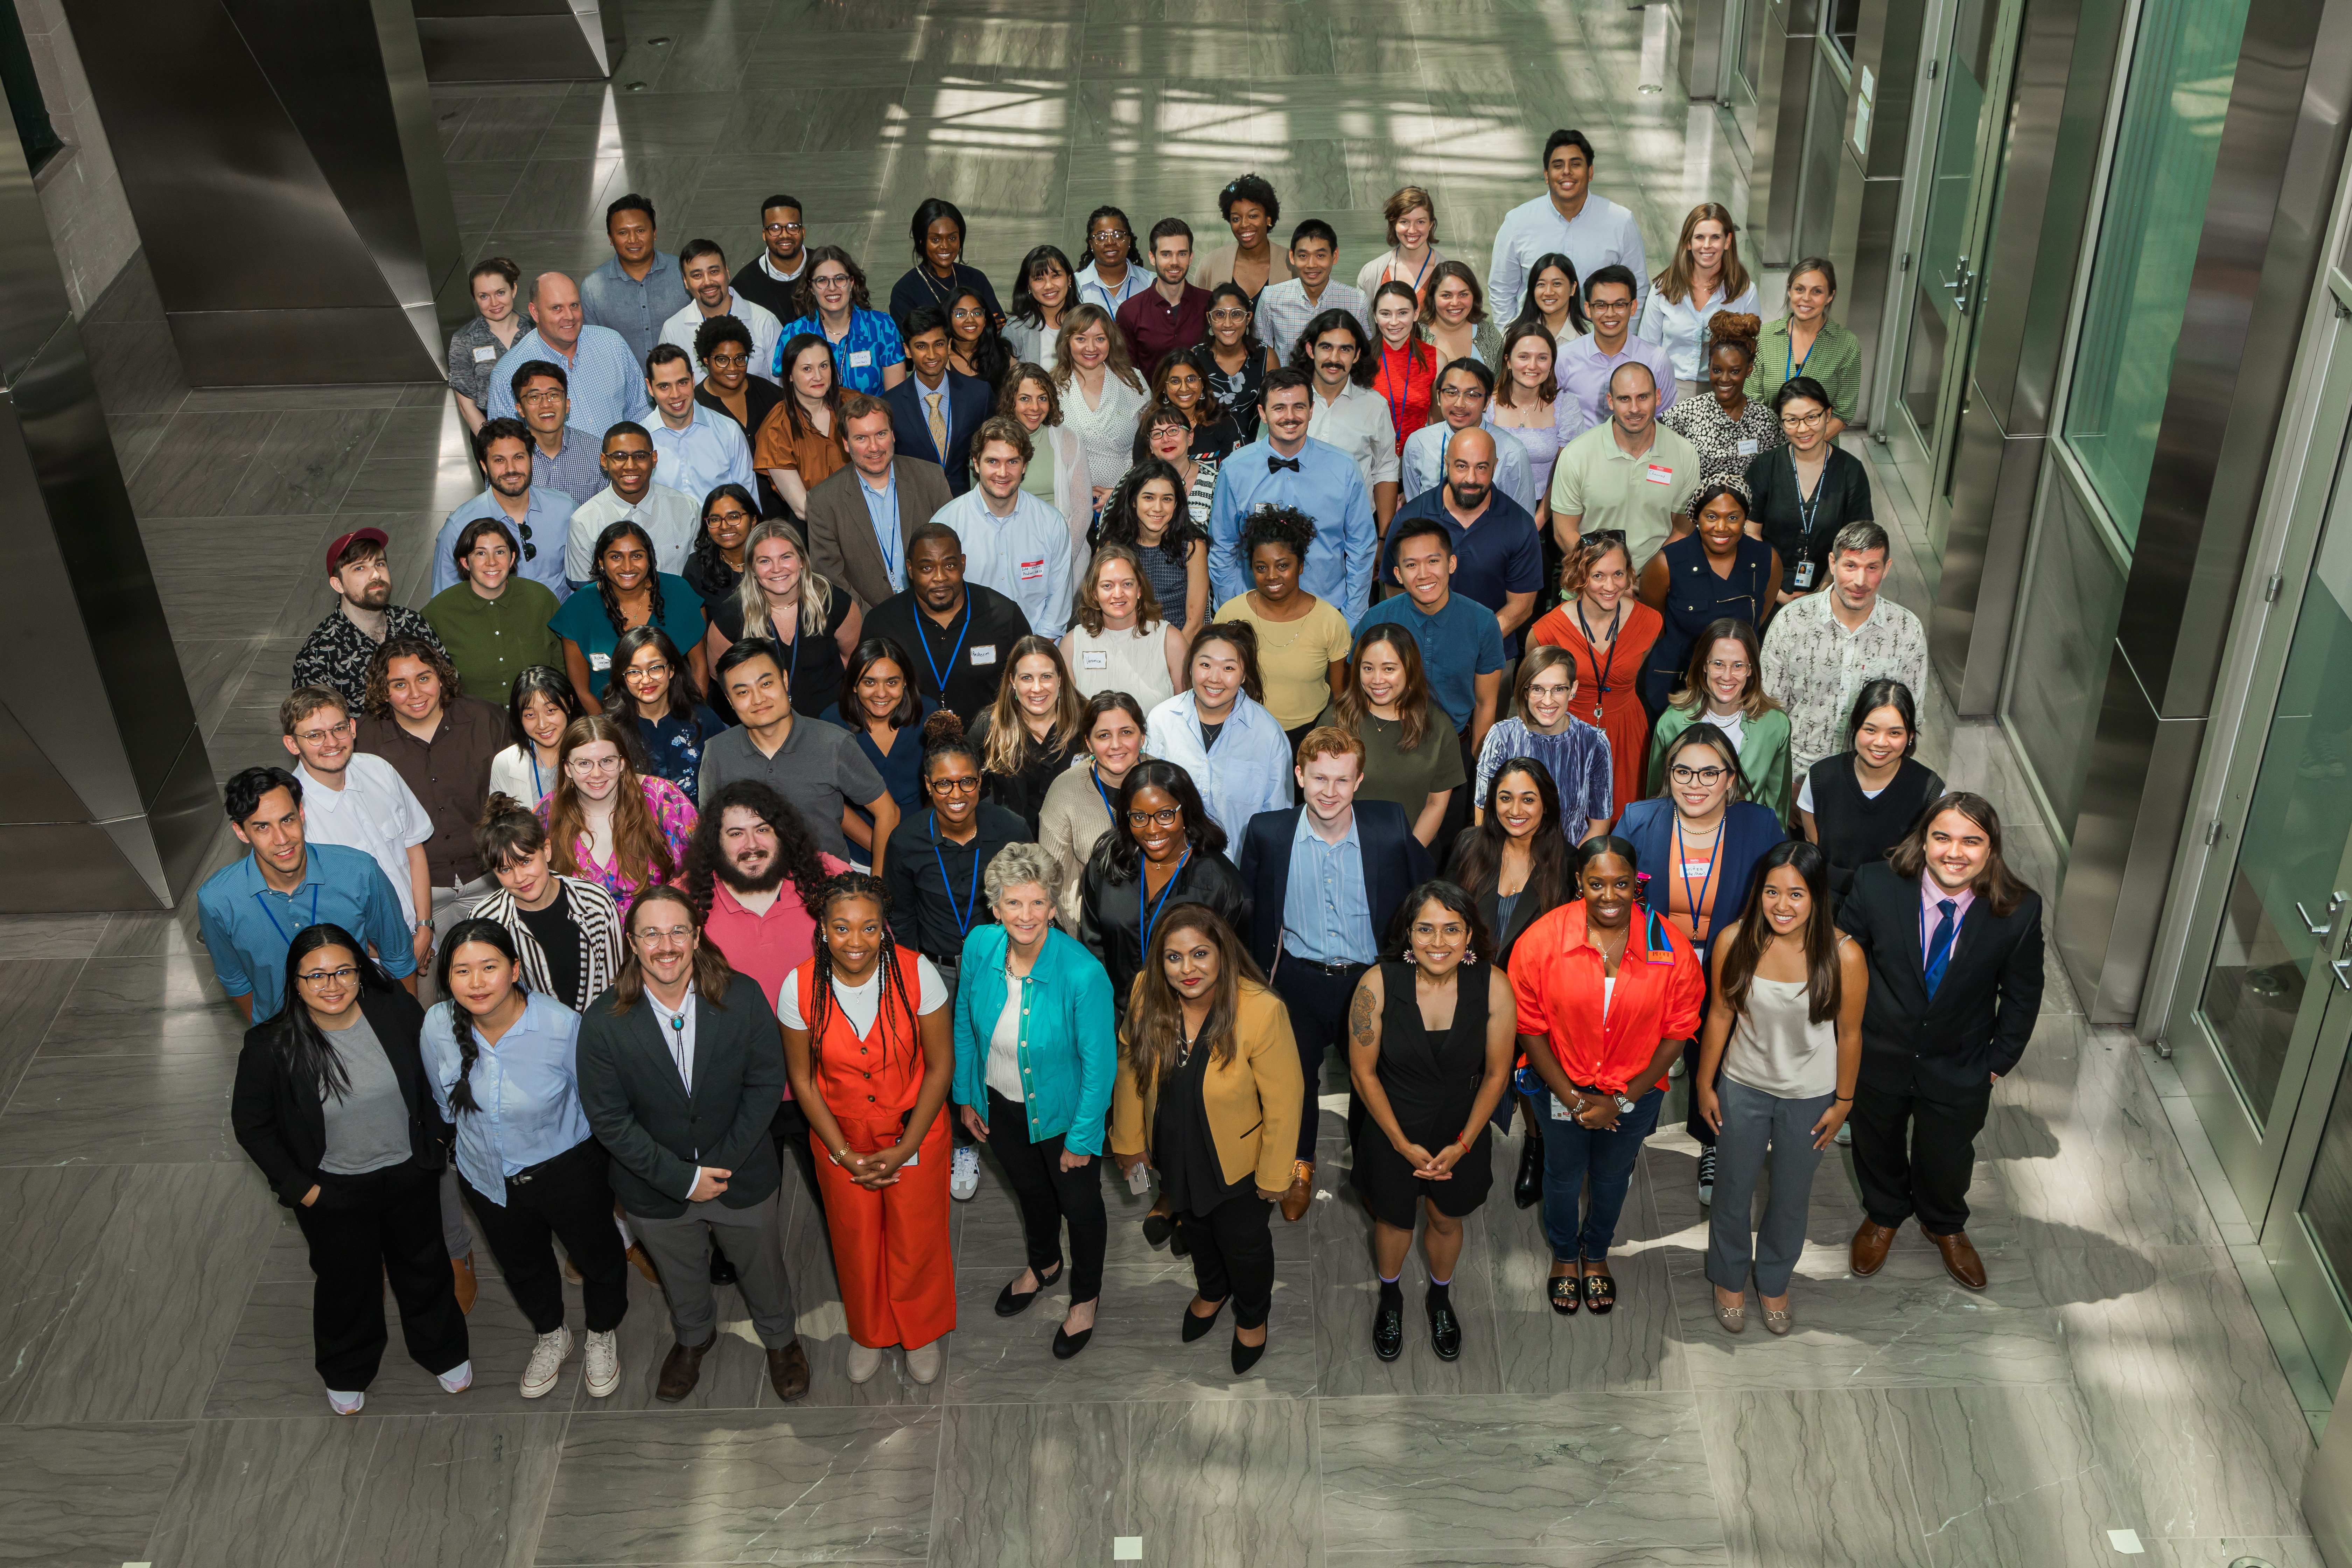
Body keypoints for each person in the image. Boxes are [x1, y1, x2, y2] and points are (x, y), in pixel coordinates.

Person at [576, 884, 811, 1404]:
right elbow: (609, 1121)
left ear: (697, 936)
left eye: (678, 930)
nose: (667, 945)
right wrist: (683, 1179)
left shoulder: (743, 996)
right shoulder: (602, 1023)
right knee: (680, 1274)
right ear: (632, 943)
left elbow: (766, 1085)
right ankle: (692, 1337)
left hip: (742, 1173)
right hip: (653, 1189)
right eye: (651, 933)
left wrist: (717, 1169)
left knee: (762, 1265)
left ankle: (780, 1339)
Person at [231, 927, 470, 1414]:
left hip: (409, 1173)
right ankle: (347, 1367)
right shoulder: (269, 1046)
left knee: (424, 1268)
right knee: (347, 1284)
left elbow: (434, 1074)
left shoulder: (398, 1011)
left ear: (360, 974)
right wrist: (305, 1191)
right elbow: (252, 1126)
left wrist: (438, 1142)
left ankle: (441, 1350)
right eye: (316, 975)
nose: (332, 984)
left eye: (343, 971)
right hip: (333, 1191)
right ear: (294, 982)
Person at [1839, 794, 2044, 1289]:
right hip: (1878, 1055)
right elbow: (1840, 969)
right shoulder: (1876, 883)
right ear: (1924, 840)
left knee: (1947, 1156)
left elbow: (2023, 994)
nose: (1956, 852)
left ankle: (1944, 1223)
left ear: (1991, 849)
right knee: (1876, 1143)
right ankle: (1885, 1213)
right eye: (1943, 837)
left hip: (1961, 1063)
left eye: (1972, 841)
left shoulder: (2017, 910)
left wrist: (1997, 1063)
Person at [423, 918, 629, 1398]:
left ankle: (602, 1331)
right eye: (461, 971)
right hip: (485, 1176)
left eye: (489, 967)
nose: (476, 982)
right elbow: (441, 1102)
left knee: (599, 1258)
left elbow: (594, 1103)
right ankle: (552, 1334)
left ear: (515, 969)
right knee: (523, 1266)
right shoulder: (436, 1025)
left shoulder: (560, 1026)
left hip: (567, 1171)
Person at [1237, 726, 1434, 1219]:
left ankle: (1370, 1171)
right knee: (1294, 1082)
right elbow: (1250, 911)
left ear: (1359, 781)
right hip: (1298, 982)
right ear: (1300, 775)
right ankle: (1300, 1166)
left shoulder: (1389, 826)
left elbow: (1421, 897)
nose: (1330, 792)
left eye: (1342, 781)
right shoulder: (1268, 832)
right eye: (1319, 778)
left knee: (1372, 1083)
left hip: (1367, 982)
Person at [780, 873, 958, 1385]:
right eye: (841, 928)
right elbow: (803, 1081)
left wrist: (905, 1149)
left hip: (915, 1131)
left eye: (868, 928)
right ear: (823, 930)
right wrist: (840, 1154)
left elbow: (941, 1066)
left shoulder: (917, 974)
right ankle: (869, 1331)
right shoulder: (798, 987)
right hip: (841, 1140)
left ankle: (919, 1330)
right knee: (855, 1240)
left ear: (885, 930)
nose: (854, 941)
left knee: (916, 1236)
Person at [1108, 902, 1300, 1374]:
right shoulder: (1145, 993)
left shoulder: (1262, 1011)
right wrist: (1129, 1141)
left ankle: (1253, 1316)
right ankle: (1213, 1290)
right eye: (1174, 958)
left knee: (1244, 1244)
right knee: (1195, 1229)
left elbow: (1286, 1100)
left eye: (1200, 954)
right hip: (1174, 1149)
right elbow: (1131, 1067)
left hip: (1239, 1163)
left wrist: (1276, 1175)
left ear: (1223, 955)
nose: (1186, 969)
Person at [1512, 836, 1699, 1314]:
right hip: (1561, 1086)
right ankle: (1562, 1254)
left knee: (1613, 1175)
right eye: (1596, 884)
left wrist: (1620, 1101)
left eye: (1620, 884)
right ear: (1579, 882)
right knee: (1562, 1175)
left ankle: (1595, 1254)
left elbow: (1677, 1034)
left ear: (1635, 883)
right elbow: (1530, 1030)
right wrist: (1575, 1100)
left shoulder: (1668, 946)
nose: (1609, 896)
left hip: (1634, 1094)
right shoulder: (1542, 941)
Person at [953, 844, 1116, 1358]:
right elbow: (964, 1023)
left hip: (1064, 1119)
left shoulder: (1082, 974)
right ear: (995, 907)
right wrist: (967, 1092)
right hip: (1000, 1106)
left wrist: (1084, 1136)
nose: (1026, 916)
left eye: (1037, 903)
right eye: (1013, 903)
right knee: (1029, 1192)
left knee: (1081, 1207)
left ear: (1052, 907)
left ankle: (1085, 1299)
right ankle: (1045, 1264)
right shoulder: (980, 946)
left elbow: (1101, 1067)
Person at [1696, 840, 1865, 1334]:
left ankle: (1774, 1280)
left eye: (1796, 894)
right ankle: (1727, 1278)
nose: (1782, 906)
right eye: (1771, 892)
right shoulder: (1733, 941)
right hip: (1742, 1086)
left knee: (1792, 1196)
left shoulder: (1845, 954)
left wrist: (1844, 1102)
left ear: (1817, 897)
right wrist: (1706, 1084)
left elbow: (1850, 1035)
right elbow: (1721, 1015)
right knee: (1731, 1189)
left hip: (1810, 1097)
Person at [1617, 722, 1789, 1200]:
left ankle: (1711, 1141)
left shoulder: (1758, 826)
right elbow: (1612, 893)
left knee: (1716, 1063)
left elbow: (1781, 900)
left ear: (1731, 778)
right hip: (1656, 969)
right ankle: (1624, 1144)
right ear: (1668, 774)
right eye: (1683, 772)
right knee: (1640, 1061)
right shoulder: (1638, 819)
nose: (1695, 785)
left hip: (1727, 968)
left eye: (1709, 774)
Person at [1345, 880, 1513, 1362]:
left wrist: (1463, 1145)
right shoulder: (1377, 984)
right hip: (1391, 1124)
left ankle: (1440, 1297)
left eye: (1451, 930)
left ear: (1468, 936)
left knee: (1445, 1217)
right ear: (1408, 933)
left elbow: (1498, 1074)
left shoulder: (1493, 984)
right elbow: (1363, 1073)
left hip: (1463, 1126)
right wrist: (1399, 1142)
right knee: (1394, 1219)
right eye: (1425, 929)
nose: (1438, 943)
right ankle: (1391, 1297)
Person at [684, 779, 854, 1203]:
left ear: (782, 832)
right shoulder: (687, 899)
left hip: (827, 1080)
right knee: (745, 1211)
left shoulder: (828, 877)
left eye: (762, 829)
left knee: (843, 1202)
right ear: (715, 842)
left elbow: (879, 956)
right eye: (735, 833)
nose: (752, 844)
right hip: (738, 1089)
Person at [198, 768, 418, 1023]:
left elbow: (398, 956)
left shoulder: (359, 871)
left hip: (363, 1024)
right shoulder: (217, 900)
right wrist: (271, 1035)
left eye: (287, 820)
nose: (282, 839)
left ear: (301, 814)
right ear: (241, 832)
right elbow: (235, 980)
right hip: (285, 1036)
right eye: (262, 828)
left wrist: (411, 1028)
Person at [354, 636, 505, 977]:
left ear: (441, 675)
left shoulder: (487, 720)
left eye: (423, 678)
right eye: (399, 684)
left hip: (491, 879)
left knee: (497, 981)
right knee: (427, 1002)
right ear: (383, 690)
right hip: (419, 896)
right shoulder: (363, 744)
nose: (416, 693)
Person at [701, 638, 898, 870]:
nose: (758, 699)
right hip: (752, 889)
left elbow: (888, 812)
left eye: (766, 685)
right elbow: (711, 832)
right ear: (729, 701)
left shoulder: (833, 742)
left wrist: (878, 885)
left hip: (829, 889)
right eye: (743, 692)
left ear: (784, 680)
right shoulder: (717, 751)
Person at [282, 688, 434, 979]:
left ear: (352, 728)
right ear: (292, 744)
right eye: (315, 735)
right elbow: (315, 908)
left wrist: (425, 927)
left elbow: (413, 850)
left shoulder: (379, 770)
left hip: (422, 941)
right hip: (360, 964)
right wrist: (394, 953)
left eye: (338, 729)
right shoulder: (292, 813)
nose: (331, 743)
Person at [1079, 759, 1252, 1015]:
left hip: (1189, 1026)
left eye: (1165, 815)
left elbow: (1233, 977)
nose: (1152, 830)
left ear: (1186, 812)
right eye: (1139, 817)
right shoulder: (1106, 864)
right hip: (1113, 1021)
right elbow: (1092, 948)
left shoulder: (1224, 886)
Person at [1757, 521, 1929, 776]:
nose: (1860, 581)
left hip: (1868, 780)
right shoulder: (1792, 622)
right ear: (1832, 563)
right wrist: (1780, 781)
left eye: (1872, 568)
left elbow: (1909, 722)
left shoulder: (1906, 631)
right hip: (1797, 776)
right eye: (1851, 566)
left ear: (1887, 569)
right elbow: (1768, 712)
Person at [1206, 370, 1377, 624]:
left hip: (1327, 612)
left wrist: (1351, 620)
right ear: (1263, 413)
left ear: (1311, 410)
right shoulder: (1235, 468)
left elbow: (1361, 548)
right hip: (1253, 615)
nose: (1290, 417)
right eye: (1279, 408)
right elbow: (1222, 546)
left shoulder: (1344, 467)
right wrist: (1234, 609)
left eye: (1298, 407)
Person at [883, 719, 1029, 998]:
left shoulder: (1012, 830)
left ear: (980, 779)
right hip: (937, 974)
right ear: (928, 784)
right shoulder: (905, 841)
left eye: (966, 781)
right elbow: (901, 918)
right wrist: (909, 978)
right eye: (944, 784)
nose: (957, 794)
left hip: (1001, 966)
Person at [1379, 427, 1543, 656]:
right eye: (1462, 466)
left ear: (1495, 466)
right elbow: (1396, 590)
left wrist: (1469, 644)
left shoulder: (1520, 524)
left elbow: (1521, 607)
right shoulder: (1410, 519)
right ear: (1447, 463)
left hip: (1493, 656)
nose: (1471, 479)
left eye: (1482, 467)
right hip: (1421, 655)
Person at [1531, 534, 1661, 821]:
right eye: (1598, 575)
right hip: (1568, 735)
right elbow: (1531, 696)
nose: (1610, 586)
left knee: (1624, 823)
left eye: (1618, 574)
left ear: (1629, 575)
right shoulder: (1548, 631)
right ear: (1580, 575)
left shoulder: (1650, 621)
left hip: (1627, 733)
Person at [1359, 516, 1507, 766]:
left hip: (1453, 747)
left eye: (1433, 561)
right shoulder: (1377, 619)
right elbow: (1359, 693)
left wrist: (1479, 768)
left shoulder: (1482, 622)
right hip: (1385, 747)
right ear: (1398, 574)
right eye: (1411, 565)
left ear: (1451, 563)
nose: (1424, 575)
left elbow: (1485, 703)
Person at [861, 524, 1034, 728]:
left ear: (963, 564)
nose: (940, 578)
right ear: (910, 569)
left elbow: (1030, 684)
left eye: (950, 566)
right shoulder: (882, 623)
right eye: (927, 568)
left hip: (991, 748)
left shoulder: (1004, 615)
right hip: (911, 751)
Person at [1215, 505, 1353, 758]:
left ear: (1300, 566)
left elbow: (1341, 697)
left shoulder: (1330, 621)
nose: (1271, 576)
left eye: (1282, 566)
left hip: (1310, 740)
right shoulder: (1230, 615)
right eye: (1261, 567)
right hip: (1243, 735)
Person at [470, 795, 626, 1013]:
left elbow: (615, 984)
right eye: (505, 870)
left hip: (599, 1031)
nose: (519, 878)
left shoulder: (596, 903)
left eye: (526, 861)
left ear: (547, 850)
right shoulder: (486, 920)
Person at [1637, 482, 1782, 713]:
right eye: (1712, 517)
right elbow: (1654, 627)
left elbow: (1759, 618)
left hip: (1736, 686)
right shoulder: (1665, 564)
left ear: (1746, 519)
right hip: (1675, 685)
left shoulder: (1767, 559)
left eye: (1733, 518)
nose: (1721, 527)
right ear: (1696, 517)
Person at [802, 391, 954, 612]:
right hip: (866, 622)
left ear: (893, 435)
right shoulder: (822, 500)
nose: (874, 447)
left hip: (934, 612)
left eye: (881, 434)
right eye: (861, 438)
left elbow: (950, 552)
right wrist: (873, 620)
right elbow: (829, 577)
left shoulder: (931, 478)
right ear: (846, 444)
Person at [1319, 623, 1466, 849]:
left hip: (1410, 850)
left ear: (1410, 670)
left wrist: (1408, 856)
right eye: (1368, 669)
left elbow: (1436, 804)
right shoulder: (1335, 720)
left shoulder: (1438, 727)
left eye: (1389, 669)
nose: (1377, 680)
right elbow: (1318, 793)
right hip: (1339, 851)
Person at [1145, 622, 1294, 841]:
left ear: (1244, 676)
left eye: (1229, 668)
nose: (1215, 678)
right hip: (1174, 862)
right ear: (1190, 666)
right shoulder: (1162, 721)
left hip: (1238, 867)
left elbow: (1278, 819)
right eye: (1205, 665)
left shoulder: (1267, 734)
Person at [1549, 362, 1703, 571]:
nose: (1634, 409)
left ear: (1658, 397)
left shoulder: (1685, 453)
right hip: (1591, 582)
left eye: (1643, 397)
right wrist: (1611, 578)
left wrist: (1650, 579)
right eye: (1624, 399)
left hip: (1655, 585)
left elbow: (1683, 531)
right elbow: (1564, 532)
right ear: (1611, 402)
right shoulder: (1576, 454)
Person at [1799, 679, 1944, 899]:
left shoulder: (1930, 790)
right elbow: (1814, 843)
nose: (1881, 742)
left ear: (1911, 736)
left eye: (1895, 733)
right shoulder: (1821, 777)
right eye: (1871, 730)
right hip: (1828, 899)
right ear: (1855, 727)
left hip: (1896, 902)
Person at [1488, 128, 1651, 323]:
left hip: (1598, 341)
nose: (1567, 172)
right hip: (1535, 340)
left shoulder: (1621, 222)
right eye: (1558, 165)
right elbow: (1502, 289)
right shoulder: (1517, 222)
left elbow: (1638, 289)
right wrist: (1513, 339)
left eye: (1576, 164)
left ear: (1590, 172)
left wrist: (1622, 342)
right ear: (1547, 175)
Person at [1648, 618, 1796, 825]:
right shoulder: (1672, 722)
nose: (1727, 676)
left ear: (1751, 670)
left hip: (1748, 838)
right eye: (1718, 664)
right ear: (1704, 666)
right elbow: (1656, 801)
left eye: (1738, 666)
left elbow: (1777, 808)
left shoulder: (1775, 725)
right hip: (1684, 837)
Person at [709, 517, 860, 721]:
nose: (777, 569)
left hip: (832, 721)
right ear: (752, 569)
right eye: (764, 561)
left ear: (802, 561)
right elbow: (721, 675)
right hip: (765, 725)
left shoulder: (835, 603)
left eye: (786, 557)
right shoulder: (731, 616)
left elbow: (853, 660)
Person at [538, 713, 697, 903]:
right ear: (567, 769)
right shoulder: (548, 811)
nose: (597, 774)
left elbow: (703, 862)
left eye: (607, 761)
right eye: (584, 764)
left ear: (622, 763)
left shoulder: (660, 797)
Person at [938, 418, 1074, 635]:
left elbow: (1057, 609)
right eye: (993, 461)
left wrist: (1033, 654)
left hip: (1034, 647)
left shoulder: (1052, 524)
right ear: (976, 463)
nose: (1003, 473)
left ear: (1025, 467)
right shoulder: (946, 525)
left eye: (1012, 462)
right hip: (968, 647)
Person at [551, 520, 709, 704]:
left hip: (677, 711)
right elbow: (581, 691)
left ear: (650, 559)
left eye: (637, 556)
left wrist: (696, 717)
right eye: (616, 557)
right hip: (609, 719)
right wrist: (610, 732)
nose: (627, 567)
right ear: (601, 562)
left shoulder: (679, 591)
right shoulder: (578, 608)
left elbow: (700, 667)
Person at [1448, 756, 1580, 971]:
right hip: (1466, 982)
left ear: (1546, 805)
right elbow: (1445, 918)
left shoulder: (1568, 863)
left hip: (1530, 992)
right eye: (1506, 798)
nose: (1516, 811)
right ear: (1493, 801)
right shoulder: (1468, 845)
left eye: (1528, 800)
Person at [293, 528, 444, 713]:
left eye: (379, 564)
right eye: (360, 568)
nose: (376, 575)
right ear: (338, 584)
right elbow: (316, 725)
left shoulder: (413, 623)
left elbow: (449, 684)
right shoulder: (318, 654)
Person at [1746, 376, 1874, 595]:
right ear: (1781, 423)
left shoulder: (1851, 471)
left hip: (1830, 586)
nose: (1803, 429)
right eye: (1792, 420)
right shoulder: (1765, 466)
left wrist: (1821, 593)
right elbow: (1751, 533)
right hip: (1766, 583)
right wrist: (1775, 592)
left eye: (1812, 417)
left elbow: (1854, 546)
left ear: (1829, 415)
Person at [1471, 646, 1614, 839]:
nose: (1548, 701)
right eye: (1538, 689)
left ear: (1573, 690)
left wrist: (1569, 867)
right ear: (1525, 691)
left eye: (1559, 689)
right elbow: (1483, 815)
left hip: (1569, 861)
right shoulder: (1501, 737)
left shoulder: (1594, 743)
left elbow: (1599, 827)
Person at [484, 272, 654, 433]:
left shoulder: (612, 344)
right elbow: (506, 444)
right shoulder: (508, 373)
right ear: (535, 312)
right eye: (557, 308)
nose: (570, 316)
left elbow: (640, 411)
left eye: (574, 305)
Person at [434, 417, 577, 601]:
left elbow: (583, 580)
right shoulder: (458, 527)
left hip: (560, 621)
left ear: (531, 459)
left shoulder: (565, 509)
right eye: (499, 460)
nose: (511, 469)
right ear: (484, 466)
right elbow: (444, 600)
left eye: (518, 458)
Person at [426, 517, 566, 701]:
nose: (492, 562)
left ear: (512, 558)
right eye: (480, 554)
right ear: (465, 562)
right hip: (473, 723)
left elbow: (564, 668)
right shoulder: (438, 613)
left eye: (500, 552)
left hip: (539, 720)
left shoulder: (541, 599)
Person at [1041, 692, 1147, 931]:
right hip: (1094, 932)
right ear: (1089, 743)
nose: (1116, 745)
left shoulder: (1168, 782)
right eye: (1104, 735)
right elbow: (1058, 882)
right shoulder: (1064, 791)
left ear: (1142, 738)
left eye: (1127, 732)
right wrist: (1092, 938)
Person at [820, 638, 938, 846]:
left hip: (923, 841)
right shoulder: (830, 723)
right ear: (854, 685)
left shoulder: (929, 715)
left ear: (905, 682)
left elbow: (941, 787)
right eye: (870, 682)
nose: (881, 693)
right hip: (857, 850)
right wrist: (883, 848)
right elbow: (830, 800)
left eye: (891, 682)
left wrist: (917, 841)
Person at [1637, 204, 1759, 400]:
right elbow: (1646, 350)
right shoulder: (1663, 289)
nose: (1707, 245)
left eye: (1716, 237)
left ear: (1728, 241)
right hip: (1668, 389)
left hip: (1723, 391)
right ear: (1688, 243)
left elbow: (1752, 353)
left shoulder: (1745, 292)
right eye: (1700, 237)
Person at [997, 363, 1094, 603]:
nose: (1035, 408)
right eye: (1025, 399)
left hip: (1067, 559)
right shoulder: (991, 443)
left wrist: (1057, 564)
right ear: (1011, 401)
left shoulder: (1068, 440)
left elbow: (1082, 512)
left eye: (1042, 398)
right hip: (1008, 559)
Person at [969, 635, 1085, 835]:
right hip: (1014, 846)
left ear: (1061, 678)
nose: (1037, 688)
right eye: (1027, 678)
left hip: (1078, 841)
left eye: (1046, 676)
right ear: (1012, 681)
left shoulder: (1088, 720)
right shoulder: (990, 725)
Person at [1293, 308, 1400, 525]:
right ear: (1310, 350)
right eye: (1326, 347)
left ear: (1357, 355)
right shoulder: (1285, 402)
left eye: (1345, 349)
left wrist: (1381, 538)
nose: (1334, 359)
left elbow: (1385, 471)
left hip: (1355, 532)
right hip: (1292, 529)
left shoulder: (1375, 406)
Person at [561, 424, 699, 587]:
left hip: (678, 609)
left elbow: (698, 576)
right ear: (604, 461)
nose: (631, 466)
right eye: (620, 457)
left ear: (654, 459)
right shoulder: (584, 522)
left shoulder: (686, 509)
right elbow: (586, 593)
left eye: (640, 456)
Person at [1398, 358, 1538, 516]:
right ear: (1438, 397)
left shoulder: (1512, 451)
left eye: (1472, 395)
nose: (1459, 404)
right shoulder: (1419, 442)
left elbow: (1523, 517)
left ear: (1486, 403)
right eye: (1451, 393)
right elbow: (1415, 506)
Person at [1487, 321, 1585, 541]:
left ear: (1551, 365)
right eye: (1524, 357)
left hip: (1545, 513)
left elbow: (1567, 476)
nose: (1533, 365)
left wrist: (1537, 521)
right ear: (1508, 361)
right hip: (1487, 510)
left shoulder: (1566, 406)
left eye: (1542, 358)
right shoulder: (1486, 404)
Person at [1660, 313, 1782, 488]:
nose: (1724, 379)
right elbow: (1660, 456)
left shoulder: (1766, 421)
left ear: (1749, 370)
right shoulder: (1687, 412)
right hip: (1695, 512)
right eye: (1717, 370)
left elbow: (1774, 476)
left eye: (1734, 371)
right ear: (1709, 367)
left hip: (1748, 513)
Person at [882, 305, 992, 497]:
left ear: (949, 346)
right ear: (908, 350)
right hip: (916, 509)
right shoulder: (889, 406)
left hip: (969, 505)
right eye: (921, 346)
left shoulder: (979, 395)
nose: (932, 355)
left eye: (939, 344)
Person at [1064, 544, 1187, 714]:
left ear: (1139, 589)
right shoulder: (1072, 644)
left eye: (1127, 584)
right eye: (1107, 586)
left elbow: (1187, 712)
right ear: (1094, 593)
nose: (1118, 594)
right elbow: (1067, 715)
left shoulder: (1170, 640)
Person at [1557, 266, 1678, 434]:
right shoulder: (1564, 358)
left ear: (1633, 307)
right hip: (1580, 455)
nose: (1610, 314)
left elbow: (1665, 421)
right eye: (1601, 305)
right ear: (1588, 309)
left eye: (1620, 305)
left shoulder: (1657, 360)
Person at [1746, 258, 1862, 430]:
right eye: (1800, 289)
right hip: (1769, 446)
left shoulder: (1847, 345)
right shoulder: (1764, 337)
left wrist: (1806, 446)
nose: (1806, 298)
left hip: (1819, 448)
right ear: (1790, 291)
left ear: (1830, 296)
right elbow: (1751, 399)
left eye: (1817, 292)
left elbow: (1843, 413)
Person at [1099, 454, 1211, 633]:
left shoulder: (1192, 547)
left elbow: (1194, 624)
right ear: (1134, 501)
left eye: (1167, 499)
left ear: (1176, 505)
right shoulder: (1112, 545)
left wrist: (1170, 659)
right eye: (1149, 498)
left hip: (1177, 649)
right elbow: (1101, 608)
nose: (1158, 508)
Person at [603, 625, 722, 793]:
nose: (646, 680)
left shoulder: (702, 718)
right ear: (622, 678)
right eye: (634, 672)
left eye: (656, 668)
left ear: (672, 670)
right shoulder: (608, 731)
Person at [1052, 303, 1149, 507]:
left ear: (1111, 341)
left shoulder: (1133, 381)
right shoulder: (1051, 388)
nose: (1091, 348)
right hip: (1069, 499)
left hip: (1129, 497)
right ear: (1067, 342)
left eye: (1100, 339)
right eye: (1081, 339)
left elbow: (1151, 447)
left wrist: (1122, 491)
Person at [776, 246, 908, 396]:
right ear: (811, 287)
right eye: (822, 281)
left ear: (851, 283)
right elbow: (791, 400)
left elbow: (896, 400)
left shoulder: (882, 327)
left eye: (840, 279)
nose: (832, 288)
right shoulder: (793, 334)